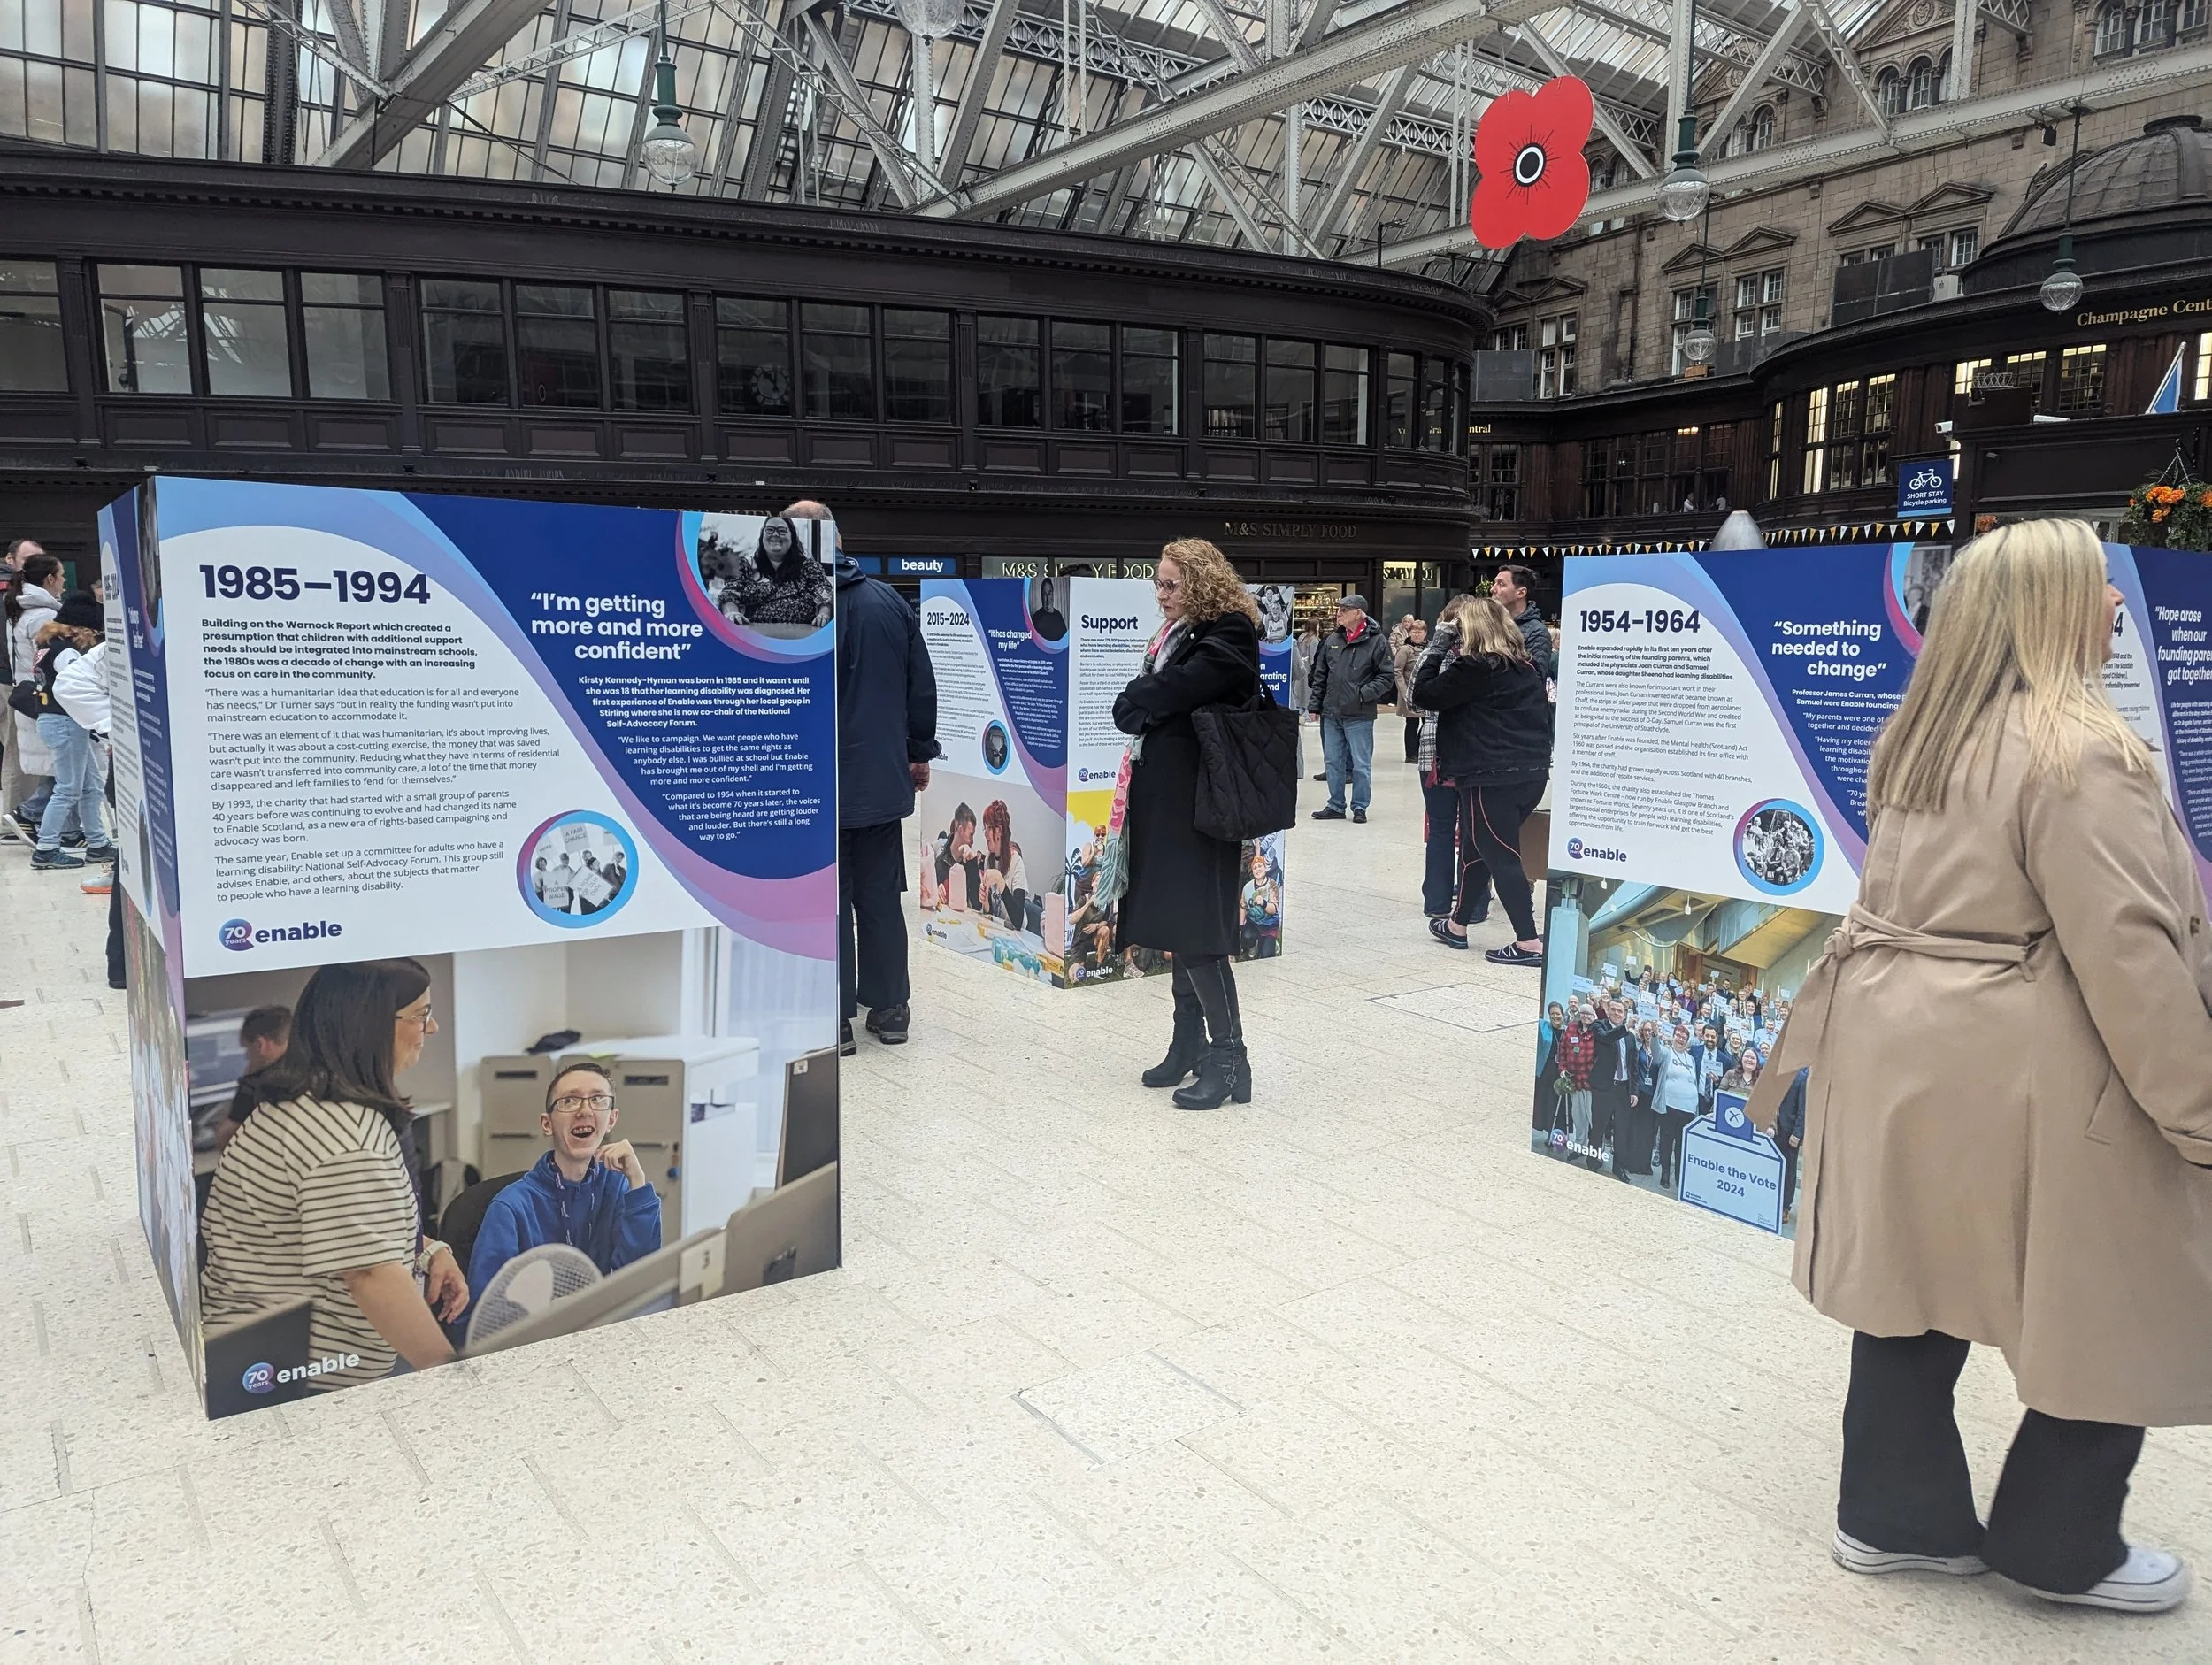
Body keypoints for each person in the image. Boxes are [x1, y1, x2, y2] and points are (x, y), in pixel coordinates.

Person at [1747, 518, 2211, 1614]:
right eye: (2100, 587)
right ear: (2053, 606)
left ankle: (1891, 1516)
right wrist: (2198, 1112)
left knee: (1907, 1284)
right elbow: (2130, 958)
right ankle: (2060, 1544)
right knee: (2116, 1285)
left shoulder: (1921, 730)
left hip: (1896, 1047)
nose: (2112, 605)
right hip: (2020, 1064)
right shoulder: (2081, 751)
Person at [199, 960, 465, 1388]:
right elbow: (368, 1274)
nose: (430, 1029)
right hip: (308, 1379)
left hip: (264, 1352)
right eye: (421, 1015)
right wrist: (454, 1378)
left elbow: (339, 1226)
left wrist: (425, 1250)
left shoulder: (308, 1102)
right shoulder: (346, 1142)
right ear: (372, 1025)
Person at [1113, 537, 1266, 1110]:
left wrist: (1139, 698)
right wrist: (1146, 701)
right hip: (1171, 800)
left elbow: (1171, 690)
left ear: (1201, 582)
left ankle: (1230, 1060)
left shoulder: (1228, 631)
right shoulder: (1180, 637)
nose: (1161, 594)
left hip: (1205, 804)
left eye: (1172, 584)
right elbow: (1158, 698)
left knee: (1198, 930)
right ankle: (1189, 1044)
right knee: (1180, 926)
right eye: (1157, 583)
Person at [826, 502, 938, 1055]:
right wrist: (919, 752)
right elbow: (922, 687)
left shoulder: (783, 608)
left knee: (824, 904)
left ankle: (835, 1020)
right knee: (878, 899)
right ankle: (892, 1010)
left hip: (810, 791)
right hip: (878, 784)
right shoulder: (890, 602)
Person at [1413, 595, 1551, 966]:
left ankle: (1528, 942)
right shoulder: (1527, 667)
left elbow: (1421, 694)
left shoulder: (1475, 668)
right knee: (1477, 849)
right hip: (1530, 774)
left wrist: (1439, 641)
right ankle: (1457, 926)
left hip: (1488, 775)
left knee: (1501, 854)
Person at [465, 1061, 663, 1301]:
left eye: (598, 1099)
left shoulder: (616, 1187)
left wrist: (637, 1180)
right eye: (569, 1101)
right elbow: (485, 1311)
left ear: (611, 1119)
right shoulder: (510, 1208)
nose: (585, 1111)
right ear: (547, 1124)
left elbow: (640, 1282)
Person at [1411, 613, 1485, 937]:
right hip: (1470, 752)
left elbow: (1416, 694)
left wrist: (1437, 644)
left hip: (1435, 751)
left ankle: (1438, 901)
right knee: (1473, 831)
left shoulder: (1437, 658)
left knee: (1442, 830)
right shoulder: (1483, 659)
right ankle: (1474, 903)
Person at [28, 590, 111, 871]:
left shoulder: (47, 644)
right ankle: (46, 848)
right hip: (64, 723)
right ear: (81, 626)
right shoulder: (67, 653)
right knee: (68, 789)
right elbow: (77, 690)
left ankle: (97, 843)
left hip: (54, 721)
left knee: (91, 786)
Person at [1306, 593, 1394, 824]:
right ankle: (1335, 804)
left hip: (1359, 714)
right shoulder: (1332, 640)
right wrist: (1315, 705)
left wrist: (1362, 695)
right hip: (1331, 713)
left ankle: (1360, 806)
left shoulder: (1377, 641)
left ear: (1358, 613)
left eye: (1344, 610)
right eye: (1339, 609)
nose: (1338, 614)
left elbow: (1386, 677)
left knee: (1360, 764)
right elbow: (1321, 675)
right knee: (1332, 761)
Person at [4, 553, 63, 837]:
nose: (63, 582)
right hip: (45, 700)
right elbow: (53, 662)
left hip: (28, 696)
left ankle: (43, 820)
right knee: (62, 769)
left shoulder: (20, 611)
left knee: (58, 769)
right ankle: (28, 813)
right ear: (49, 579)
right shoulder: (45, 616)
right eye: (60, 576)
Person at [720, 513, 832, 631]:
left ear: (792, 536)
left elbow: (824, 593)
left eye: (782, 530)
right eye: (769, 529)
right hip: (754, 638)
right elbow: (729, 594)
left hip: (802, 637)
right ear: (762, 535)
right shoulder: (745, 565)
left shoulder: (809, 566)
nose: (775, 534)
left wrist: (824, 613)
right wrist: (732, 612)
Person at [216, 1005, 293, 1147]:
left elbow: (225, 1141)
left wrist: (246, 1086)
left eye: (246, 1048)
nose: (246, 1057)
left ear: (260, 1045)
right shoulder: (312, 1072)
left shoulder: (260, 1086)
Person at [1587, 997, 1636, 1172]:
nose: (1616, 1013)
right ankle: (1593, 1162)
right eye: (1613, 1010)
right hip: (1604, 1088)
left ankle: (1618, 1167)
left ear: (1624, 1014)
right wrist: (1625, 1028)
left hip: (1623, 1090)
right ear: (1608, 1011)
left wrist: (1634, 1092)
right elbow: (1605, 1039)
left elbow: (1633, 1067)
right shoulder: (1599, 1026)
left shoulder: (1630, 1038)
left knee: (1621, 1131)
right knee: (1599, 1128)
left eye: (1620, 1011)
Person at [1652, 1023, 1702, 1191]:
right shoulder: (1667, 1052)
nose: (1681, 1039)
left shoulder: (1692, 1060)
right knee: (1667, 1142)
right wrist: (1654, 1036)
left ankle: (1679, 1176)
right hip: (1669, 1106)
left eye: (1684, 1037)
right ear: (1673, 1037)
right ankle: (1665, 1173)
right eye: (1678, 1036)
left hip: (1688, 1109)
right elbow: (1656, 1056)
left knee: (1682, 1145)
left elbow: (1693, 1082)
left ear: (1688, 1041)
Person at [1489, 564, 1553, 677]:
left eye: (1501, 584)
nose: (1493, 589)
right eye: (1494, 583)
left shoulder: (1537, 632)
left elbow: (1535, 679)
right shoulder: (1488, 624)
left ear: (1521, 592)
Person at [978, 799, 1029, 931]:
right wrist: (986, 902)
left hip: (1017, 937)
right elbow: (991, 915)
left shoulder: (1016, 862)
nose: (985, 833)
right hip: (998, 932)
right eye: (985, 827)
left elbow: (1017, 921)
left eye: (989, 828)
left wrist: (1001, 882)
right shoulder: (989, 859)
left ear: (999, 831)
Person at [1394, 617, 1429, 763]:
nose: (1417, 635)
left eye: (1420, 632)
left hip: (1426, 692)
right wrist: (1405, 692)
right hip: (1410, 692)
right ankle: (1411, 753)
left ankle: (1421, 749)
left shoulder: (1431, 648)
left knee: (1428, 722)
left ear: (1425, 633)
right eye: (1414, 632)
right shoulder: (1405, 649)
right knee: (1412, 723)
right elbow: (1398, 671)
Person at [1239, 847, 1281, 958]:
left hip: (1269, 925)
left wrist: (1264, 904)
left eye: (1260, 866)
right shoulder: (1247, 887)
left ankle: (1272, 942)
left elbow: (1273, 910)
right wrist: (1241, 926)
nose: (1257, 869)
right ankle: (1252, 945)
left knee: (1267, 955)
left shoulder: (1272, 885)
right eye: (1255, 867)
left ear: (1265, 868)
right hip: (1253, 923)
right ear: (1252, 871)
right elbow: (1243, 906)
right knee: (1246, 937)